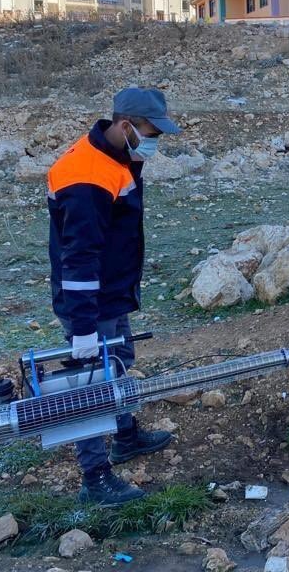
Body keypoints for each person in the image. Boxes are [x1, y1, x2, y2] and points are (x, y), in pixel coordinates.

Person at [46, 87, 179, 504]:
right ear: (126, 126)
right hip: (91, 298)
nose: (154, 140)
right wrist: (84, 328)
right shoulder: (87, 177)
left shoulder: (114, 156)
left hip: (110, 291)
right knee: (92, 381)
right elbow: (79, 258)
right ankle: (95, 477)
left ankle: (126, 436)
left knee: (118, 363)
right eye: (150, 132)